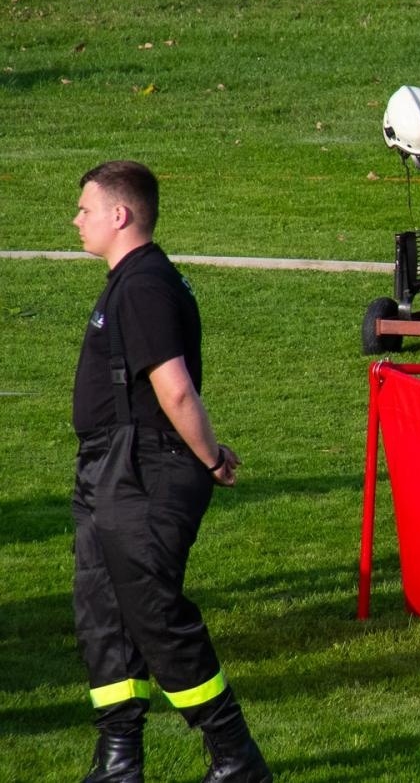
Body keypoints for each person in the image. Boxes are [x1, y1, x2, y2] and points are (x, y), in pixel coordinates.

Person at [71, 160, 271, 781]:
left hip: (144, 472)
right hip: (112, 470)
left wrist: (211, 457)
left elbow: (175, 390)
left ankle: (234, 754)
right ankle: (119, 761)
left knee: (154, 613)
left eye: (85, 209)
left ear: (119, 215)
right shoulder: (130, 281)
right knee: (104, 611)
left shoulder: (145, 286)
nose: (77, 220)